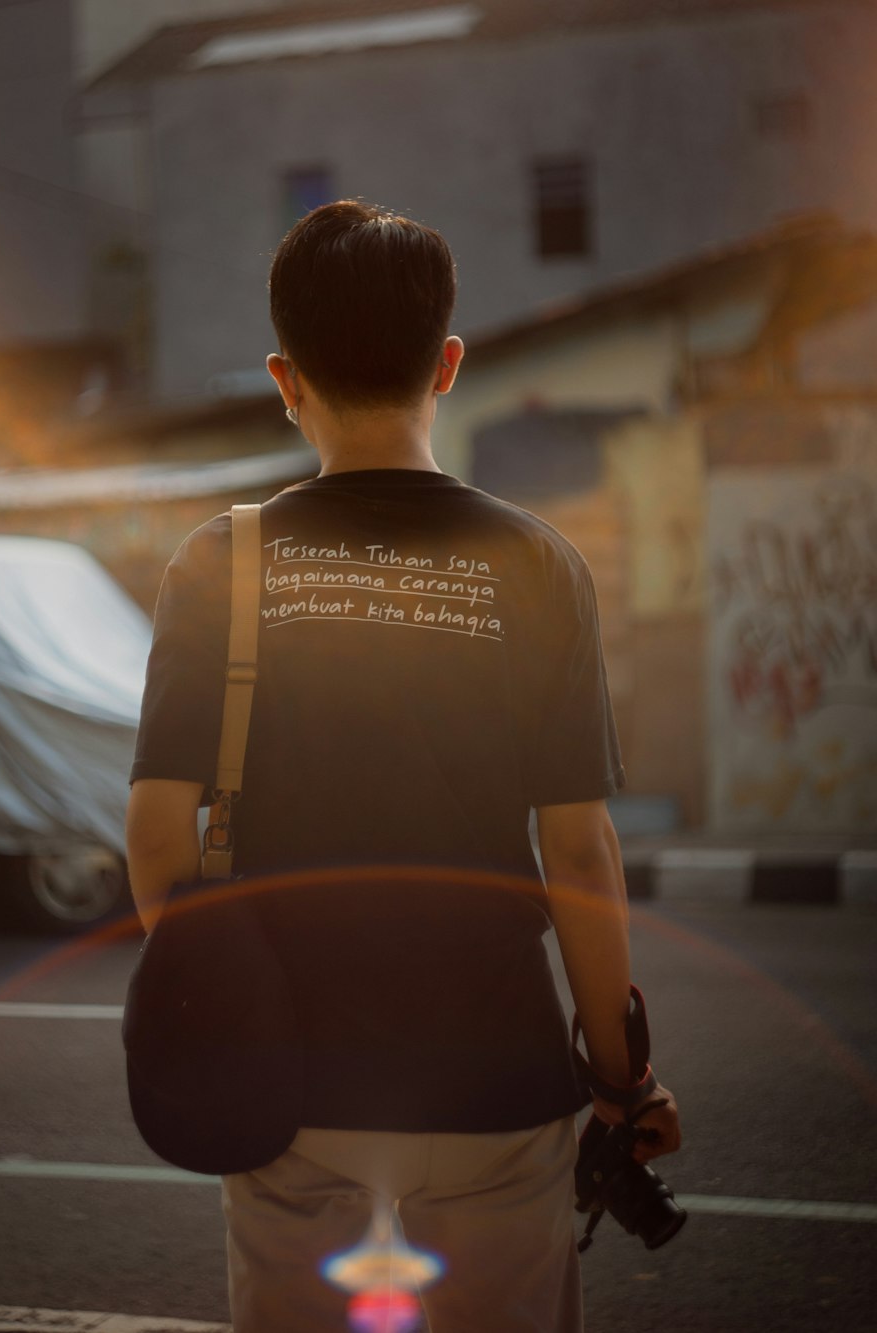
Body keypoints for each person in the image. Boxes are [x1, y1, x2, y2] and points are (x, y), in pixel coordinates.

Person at [125, 200, 681, 1333]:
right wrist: (621, 1082)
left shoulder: (219, 564)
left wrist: (218, 1009)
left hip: (292, 1093)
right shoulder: (537, 563)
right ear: (450, 363)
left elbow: (155, 833)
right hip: (497, 1084)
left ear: (285, 378)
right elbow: (577, 847)